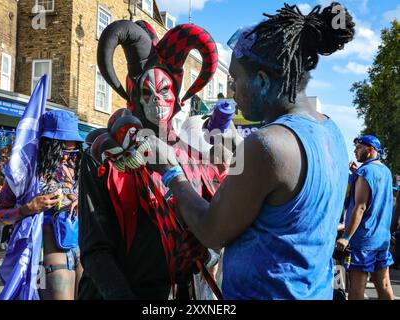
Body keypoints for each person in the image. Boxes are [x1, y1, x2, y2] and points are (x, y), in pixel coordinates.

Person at [147, 2, 355, 300]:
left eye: (235, 79)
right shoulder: (330, 130)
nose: (231, 91)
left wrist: (171, 173)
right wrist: (237, 150)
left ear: (261, 81)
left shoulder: (267, 144)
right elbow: (286, 210)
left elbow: (211, 231)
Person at [78, 19, 224, 300]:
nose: (157, 99)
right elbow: (95, 250)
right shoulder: (102, 157)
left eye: (165, 90)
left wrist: (201, 255)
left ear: (177, 95)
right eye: (147, 91)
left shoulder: (195, 159)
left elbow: (216, 232)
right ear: (133, 94)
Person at [0, 110, 84, 300]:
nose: (67, 157)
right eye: (63, 150)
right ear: (49, 145)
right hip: (44, 259)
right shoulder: (25, 174)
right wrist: (28, 208)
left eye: (73, 150)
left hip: (79, 252)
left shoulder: (76, 169)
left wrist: (80, 200)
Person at [336, 135, 395, 300]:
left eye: (359, 147)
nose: (355, 150)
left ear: (371, 149)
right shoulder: (385, 171)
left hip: (363, 241)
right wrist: (357, 175)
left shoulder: (365, 172)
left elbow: (360, 206)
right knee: (384, 286)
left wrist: (346, 237)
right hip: (381, 240)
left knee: (356, 289)